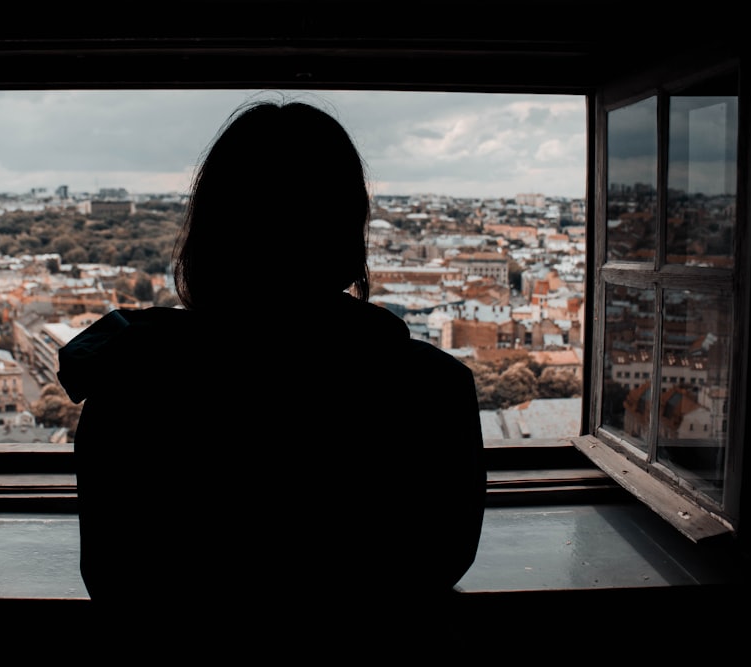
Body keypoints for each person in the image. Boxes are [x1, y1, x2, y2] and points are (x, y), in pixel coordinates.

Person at [58, 97, 487, 608]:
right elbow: (437, 565)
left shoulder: (131, 383)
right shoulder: (435, 391)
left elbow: (115, 579)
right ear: (347, 235)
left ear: (211, 234)